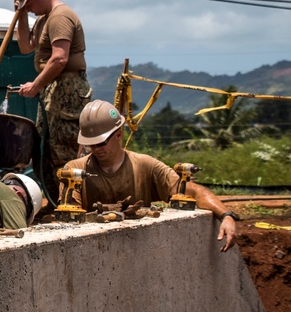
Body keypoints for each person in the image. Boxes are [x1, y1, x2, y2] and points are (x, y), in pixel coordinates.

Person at [61, 100, 238, 252]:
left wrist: (226, 216)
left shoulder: (146, 166)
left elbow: (191, 191)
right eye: (91, 144)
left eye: (101, 143)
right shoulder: (74, 171)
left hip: (139, 250)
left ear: (118, 134)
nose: (95, 149)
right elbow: (71, 223)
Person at [12, 0, 92, 201]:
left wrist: (36, 85)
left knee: (63, 150)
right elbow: (26, 46)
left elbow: (59, 58)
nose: (29, 9)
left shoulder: (60, 17)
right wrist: (20, 15)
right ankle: (55, 200)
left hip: (66, 88)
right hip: (52, 89)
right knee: (44, 148)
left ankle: (71, 201)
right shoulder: (43, 20)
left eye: (30, 4)